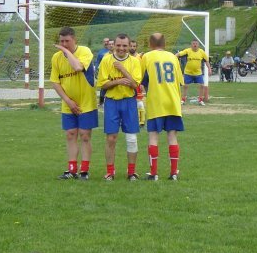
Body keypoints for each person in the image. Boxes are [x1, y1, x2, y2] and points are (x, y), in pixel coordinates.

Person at [50, 26, 98, 180]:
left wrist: (66, 52)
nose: (64, 44)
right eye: (61, 41)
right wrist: (68, 101)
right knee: (70, 134)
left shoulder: (84, 51)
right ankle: (71, 170)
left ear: (74, 39)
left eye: (67, 41)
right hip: (68, 103)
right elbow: (55, 82)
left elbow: (77, 67)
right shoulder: (56, 58)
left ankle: (84, 171)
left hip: (87, 102)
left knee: (85, 135)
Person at [98, 33, 142, 180]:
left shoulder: (135, 62)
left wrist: (122, 70)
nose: (121, 48)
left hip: (129, 102)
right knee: (111, 138)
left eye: (124, 45)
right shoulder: (106, 60)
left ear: (129, 46)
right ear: (114, 45)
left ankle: (132, 172)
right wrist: (118, 82)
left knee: (131, 139)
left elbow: (135, 85)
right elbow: (103, 84)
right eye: (118, 45)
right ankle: (110, 172)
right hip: (112, 102)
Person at [141, 33, 184, 180]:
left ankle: (154, 174)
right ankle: (173, 173)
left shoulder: (147, 57)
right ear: (164, 44)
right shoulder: (173, 57)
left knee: (153, 136)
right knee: (172, 136)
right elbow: (180, 81)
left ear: (150, 44)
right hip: (173, 101)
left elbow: (140, 79)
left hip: (156, 101)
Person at [177, 39, 211, 106]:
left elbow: (206, 61)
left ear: (198, 45)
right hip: (188, 72)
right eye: (193, 43)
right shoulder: (187, 51)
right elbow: (179, 54)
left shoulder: (201, 52)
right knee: (185, 86)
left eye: (196, 43)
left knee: (201, 85)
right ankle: (183, 100)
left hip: (198, 73)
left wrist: (209, 69)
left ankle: (200, 100)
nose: (195, 45)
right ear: (191, 45)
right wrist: (173, 57)